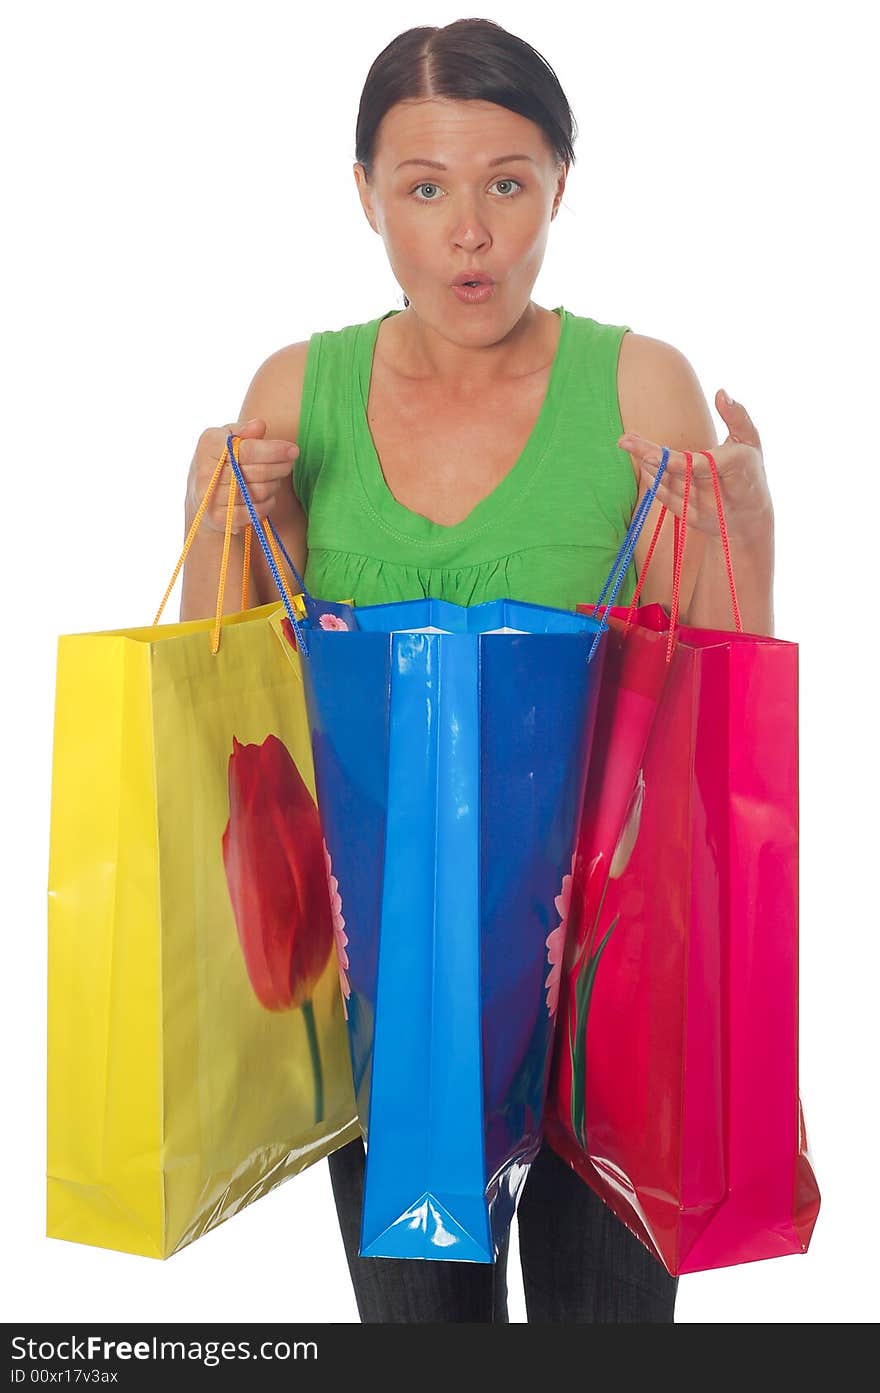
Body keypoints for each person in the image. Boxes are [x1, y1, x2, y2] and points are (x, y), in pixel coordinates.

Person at [179, 18, 775, 1322]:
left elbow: (715, 718)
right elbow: (234, 715)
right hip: (397, 1004)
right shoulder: (297, 395)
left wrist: (750, 529)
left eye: (508, 183)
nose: (469, 231)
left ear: (561, 183)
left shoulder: (641, 387)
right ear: (366, 198)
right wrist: (219, 520)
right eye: (425, 188)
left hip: (614, 999)